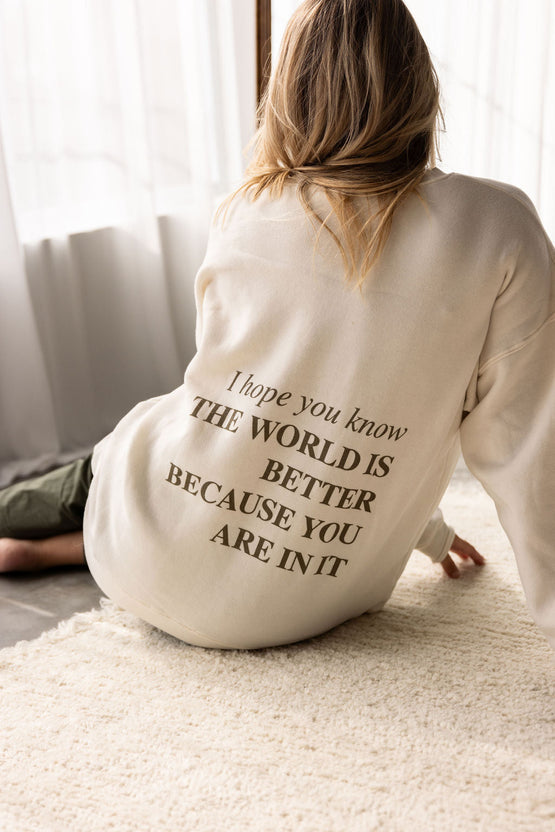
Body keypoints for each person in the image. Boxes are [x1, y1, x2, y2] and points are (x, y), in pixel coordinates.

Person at [0, 0, 552, 651]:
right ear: (417, 84)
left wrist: (427, 529)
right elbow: (527, 451)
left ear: (289, 90)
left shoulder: (248, 208)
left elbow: (255, 418)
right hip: (303, 602)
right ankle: (55, 545)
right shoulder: (495, 228)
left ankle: (60, 536)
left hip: (142, 565)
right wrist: (423, 530)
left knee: (127, 448)